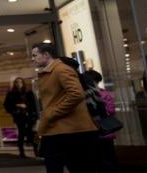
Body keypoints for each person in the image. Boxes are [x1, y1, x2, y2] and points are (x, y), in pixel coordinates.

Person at [31, 43, 99, 173]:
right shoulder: (51, 71)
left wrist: (52, 112)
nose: (32, 59)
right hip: (58, 129)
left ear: (46, 55)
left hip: (71, 130)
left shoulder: (61, 69)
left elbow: (76, 94)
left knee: (77, 167)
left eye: (35, 55)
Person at [84, 70, 120, 173]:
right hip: (106, 133)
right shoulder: (105, 94)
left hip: (95, 133)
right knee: (110, 159)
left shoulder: (89, 95)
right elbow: (111, 111)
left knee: (101, 161)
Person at [4, 77, 38, 158]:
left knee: (33, 134)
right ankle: (22, 152)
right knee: (21, 133)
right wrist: (16, 105)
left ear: (23, 83)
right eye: (17, 82)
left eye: (20, 82)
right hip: (19, 116)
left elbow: (34, 104)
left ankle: (36, 151)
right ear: (15, 84)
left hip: (29, 115)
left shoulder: (28, 92)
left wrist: (28, 108)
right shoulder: (11, 93)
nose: (19, 84)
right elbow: (7, 105)